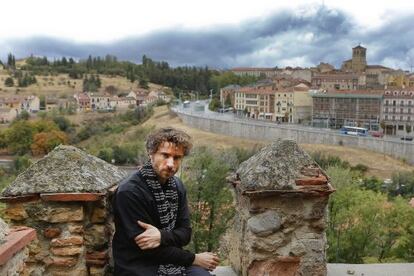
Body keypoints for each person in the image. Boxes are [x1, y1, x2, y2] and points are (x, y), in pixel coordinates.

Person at [112, 127, 219, 275]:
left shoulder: (177, 186)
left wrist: (161, 236)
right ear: (151, 154)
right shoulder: (130, 192)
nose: (171, 164)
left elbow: (185, 233)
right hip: (138, 265)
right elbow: (147, 247)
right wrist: (193, 258)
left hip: (172, 260)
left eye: (177, 158)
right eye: (165, 155)